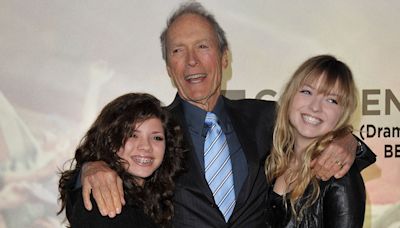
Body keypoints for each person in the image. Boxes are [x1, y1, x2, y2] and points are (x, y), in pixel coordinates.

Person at [70, 2, 376, 227]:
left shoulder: (266, 117)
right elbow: (100, 169)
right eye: (178, 51)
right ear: (168, 68)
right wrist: (91, 168)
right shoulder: (152, 133)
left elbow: (316, 122)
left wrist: (346, 139)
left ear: (225, 57)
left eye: (202, 46)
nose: (191, 61)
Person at [265, 55, 367, 227]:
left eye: (331, 100)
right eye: (307, 92)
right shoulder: (270, 160)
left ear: (342, 113)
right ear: (290, 96)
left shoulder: (339, 175)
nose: (315, 107)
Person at [58, 93, 186, 228]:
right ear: (110, 140)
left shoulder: (158, 201)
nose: (146, 146)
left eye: (157, 138)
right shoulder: (105, 198)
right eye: (133, 135)